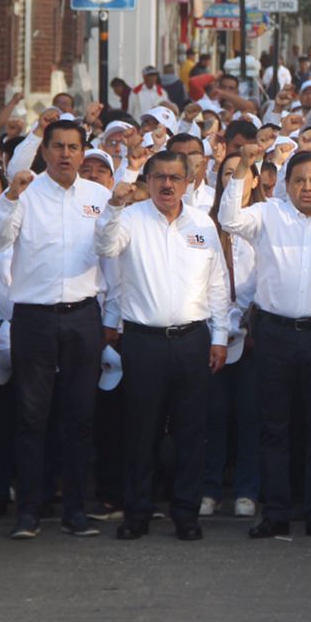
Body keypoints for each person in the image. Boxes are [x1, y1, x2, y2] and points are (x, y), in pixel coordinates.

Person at [218, 147, 311, 541]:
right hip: (275, 335)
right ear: (286, 184)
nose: (307, 187)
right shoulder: (267, 216)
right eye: (299, 179)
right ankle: (276, 512)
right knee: (273, 427)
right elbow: (229, 218)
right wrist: (244, 168)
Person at [0, 120, 111, 539]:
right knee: (31, 416)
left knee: (80, 416)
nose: (65, 155)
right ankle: (29, 512)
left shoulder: (98, 196)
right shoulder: (25, 191)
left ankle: (76, 509)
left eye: (74, 147)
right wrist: (9, 197)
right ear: (45, 150)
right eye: (57, 146)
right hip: (34, 316)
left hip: (82, 315)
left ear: (83, 151)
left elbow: (112, 256)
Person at [95, 151, 230, 542]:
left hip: (193, 340)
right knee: (140, 432)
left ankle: (186, 513)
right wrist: (114, 206)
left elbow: (217, 284)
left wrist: (219, 336)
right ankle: (137, 511)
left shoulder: (202, 224)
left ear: (187, 182)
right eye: (159, 177)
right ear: (148, 181)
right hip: (143, 341)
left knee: (191, 431)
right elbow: (105, 247)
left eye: (174, 177)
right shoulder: (130, 219)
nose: (167, 185)